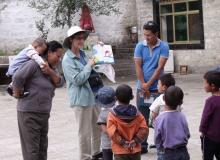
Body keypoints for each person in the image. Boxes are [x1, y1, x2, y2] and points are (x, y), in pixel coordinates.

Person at [12, 41, 64, 160]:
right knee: (32, 151)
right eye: (58, 55)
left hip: (44, 114)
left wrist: (49, 72)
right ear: (49, 52)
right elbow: (18, 77)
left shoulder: (51, 69)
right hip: (29, 113)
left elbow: (60, 82)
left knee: (42, 149)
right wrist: (17, 92)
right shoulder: (34, 64)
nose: (59, 59)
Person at [62, 26, 103, 160]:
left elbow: (94, 64)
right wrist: (89, 65)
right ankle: (85, 157)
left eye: (82, 38)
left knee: (97, 127)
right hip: (81, 99)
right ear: (71, 40)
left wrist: (100, 50)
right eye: (78, 38)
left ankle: (96, 152)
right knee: (84, 132)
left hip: (95, 95)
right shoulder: (67, 60)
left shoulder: (83, 54)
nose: (81, 40)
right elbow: (78, 80)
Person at [134, 20, 169, 153]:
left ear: (156, 34)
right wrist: (143, 85)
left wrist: (149, 85)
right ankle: (143, 145)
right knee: (142, 116)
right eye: (144, 35)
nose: (146, 38)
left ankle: (160, 142)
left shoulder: (164, 46)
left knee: (159, 116)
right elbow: (138, 66)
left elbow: (160, 67)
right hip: (142, 88)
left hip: (158, 88)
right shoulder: (139, 46)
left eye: (149, 35)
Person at [107, 84, 148, 160]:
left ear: (116, 98)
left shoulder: (112, 115)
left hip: (120, 151)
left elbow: (112, 133)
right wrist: (135, 141)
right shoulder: (138, 114)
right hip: (135, 149)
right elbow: (144, 130)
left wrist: (122, 142)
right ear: (132, 97)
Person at [154, 86, 190, 160]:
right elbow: (187, 133)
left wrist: (160, 147)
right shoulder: (182, 116)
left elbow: (157, 138)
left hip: (168, 152)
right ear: (181, 102)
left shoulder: (160, 118)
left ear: (164, 99)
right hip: (183, 151)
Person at [199, 71, 220, 160]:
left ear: (212, 86)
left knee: (207, 157)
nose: (204, 85)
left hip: (210, 137)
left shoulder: (210, 101)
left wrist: (202, 131)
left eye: (205, 83)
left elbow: (205, 119)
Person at [96, 86, 116, 160]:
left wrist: (112, 133)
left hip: (106, 144)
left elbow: (104, 129)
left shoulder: (102, 114)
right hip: (118, 142)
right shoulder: (117, 111)